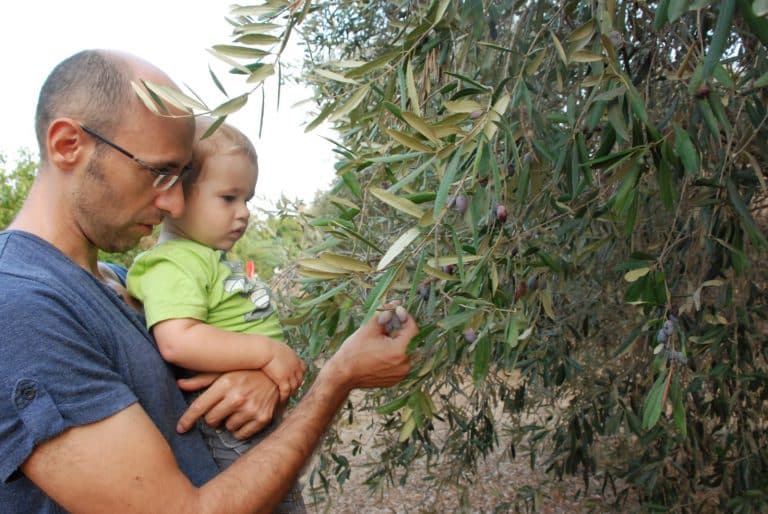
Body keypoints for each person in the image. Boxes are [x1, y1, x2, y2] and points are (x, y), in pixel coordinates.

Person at [0, 49, 416, 513]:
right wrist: (335, 380)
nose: (175, 206)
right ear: (67, 145)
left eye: (181, 177)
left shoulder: (118, 284)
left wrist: (257, 380)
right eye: (159, 173)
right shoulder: (20, 306)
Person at [126, 117, 307, 510]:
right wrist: (267, 355)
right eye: (228, 198)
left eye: (248, 200)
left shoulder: (208, 259)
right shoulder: (173, 263)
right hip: (229, 420)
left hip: (251, 410)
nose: (243, 213)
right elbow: (178, 340)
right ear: (178, 197)